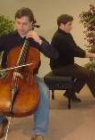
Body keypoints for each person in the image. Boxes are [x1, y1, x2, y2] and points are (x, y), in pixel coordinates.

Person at [0, 7, 58, 140]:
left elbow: (55, 55)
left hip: (29, 76)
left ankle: (39, 132)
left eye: (25, 24)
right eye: (18, 23)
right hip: (8, 74)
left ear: (31, 23)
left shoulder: (37, 39)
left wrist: (40, 42)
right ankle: (2, 121)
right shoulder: (7, 38)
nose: (21, 27)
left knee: (43, 90)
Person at [50, 14, 95, 105]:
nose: (71, 27)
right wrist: (94, 55)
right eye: (69, 24)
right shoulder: (59, 38)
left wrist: (90, 53)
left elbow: (76, 48)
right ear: (61, 25)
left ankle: (70, 93)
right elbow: (75, 52)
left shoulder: (66, 35)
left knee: (85, 73)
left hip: (67, 65)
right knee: (89, 74)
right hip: (60, 68)